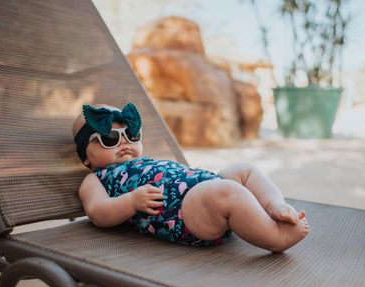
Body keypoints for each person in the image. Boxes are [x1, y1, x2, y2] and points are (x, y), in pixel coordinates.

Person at [73, 103, 309, 252]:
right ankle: (276, 237)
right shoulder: (95, 179)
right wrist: (131, 201)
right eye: (110, 139)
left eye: (131, 135)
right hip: (182, 214)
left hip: (202, 188)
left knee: (243, 170)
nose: (124, 143)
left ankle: (274, 205)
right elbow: (98, 212)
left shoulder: (142, 162)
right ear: (86, 158)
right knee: (227, 192)